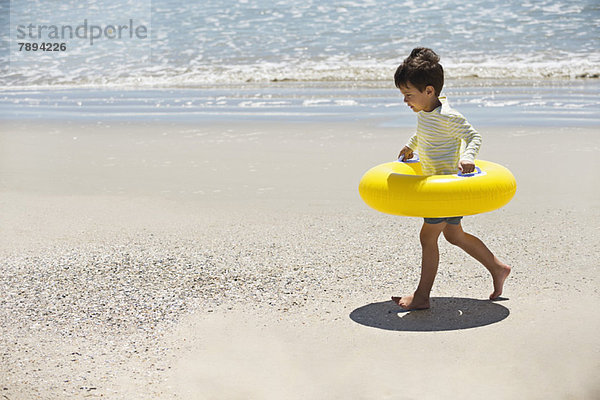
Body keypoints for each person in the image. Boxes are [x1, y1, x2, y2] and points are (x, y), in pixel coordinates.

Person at [391, 47, 511, 310]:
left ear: (429, 91)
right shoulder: (425, 112)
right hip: (437, 187)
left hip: (445, 190)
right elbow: (425, 133)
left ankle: (422, 296)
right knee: (454, 235)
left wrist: (468, 157)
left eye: (408, 95)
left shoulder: (449, 116)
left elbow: (474, 136)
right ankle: (497, 267)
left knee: (427, 237)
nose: (405, 101)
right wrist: (411, 145)